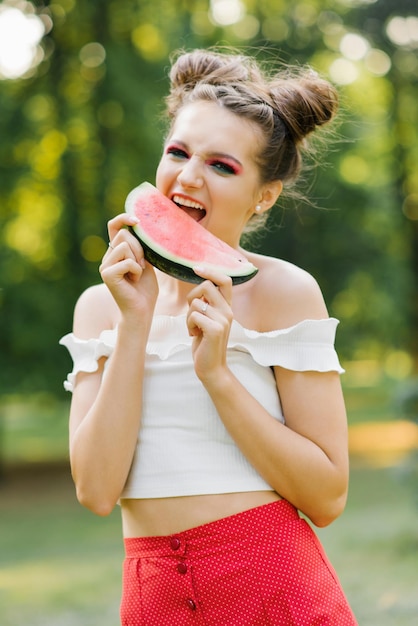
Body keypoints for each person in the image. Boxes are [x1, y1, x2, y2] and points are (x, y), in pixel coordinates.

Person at [60, 48, 358, 625]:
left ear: (263, 196)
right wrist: (134, 325)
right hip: (152, 600)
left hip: (275, 589)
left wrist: (217, 375)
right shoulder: (101, 306)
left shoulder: (285, 292)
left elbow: (327, 498)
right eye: (178, 151)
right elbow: (96, 492)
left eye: (222, 166)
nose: (189, 176)